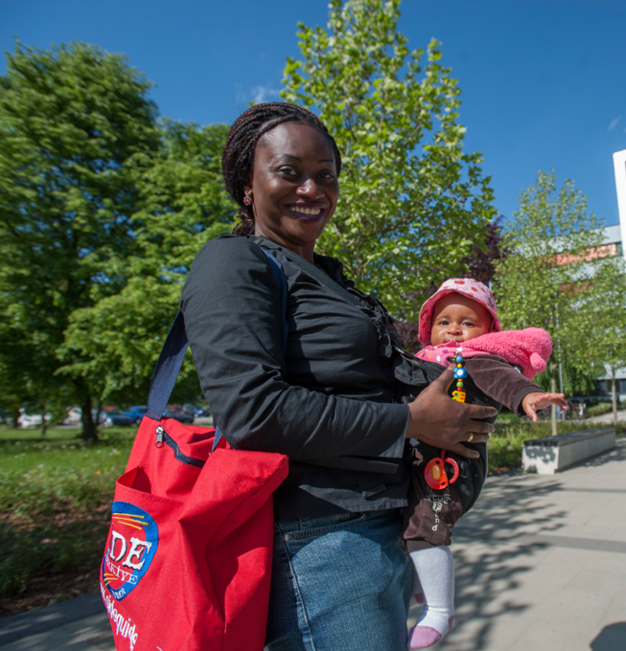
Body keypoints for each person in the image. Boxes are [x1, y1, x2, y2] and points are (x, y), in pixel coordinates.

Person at [180, 103, 497, 651]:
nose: (312, 188)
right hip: (321, 538)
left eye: (326, 175)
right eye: (289, 171)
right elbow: (252, 412)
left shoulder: (324, 275)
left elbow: (383, 370)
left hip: (378, 526)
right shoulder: (235, 263)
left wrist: (490, 371)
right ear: (247, 185)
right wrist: (413, 422)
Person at [405, 278, 567, 648]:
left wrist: (529, 396)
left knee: (426, 527)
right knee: (408, 519)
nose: (454, 330)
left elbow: (506, 381)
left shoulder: (477, 359)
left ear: (487, 331)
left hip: (452, 463)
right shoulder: (422, 360)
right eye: (443, 321)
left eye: (468, 322)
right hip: (421, 460)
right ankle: (422, 584)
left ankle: (440, 611)